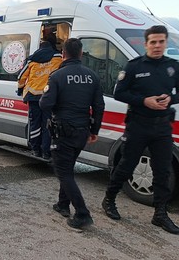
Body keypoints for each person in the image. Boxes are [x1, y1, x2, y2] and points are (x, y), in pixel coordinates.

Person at [102, 25, 179, 235]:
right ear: (146, 44)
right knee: (126, 166)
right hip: (138, 125)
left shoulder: (173, 66)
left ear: (165, 42)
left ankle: (160, 214)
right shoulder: (134, 66)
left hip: (162, 127)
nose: (157, 46)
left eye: (161, 41)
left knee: (162, 172)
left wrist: (171, 98)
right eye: (153, 42)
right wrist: (144, 101)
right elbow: (119, 93)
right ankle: (109, 200)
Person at [39, 38, 105, 230]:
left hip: (63, 131)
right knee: (68, 166)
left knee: (64, 172)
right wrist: (95, 131)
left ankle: (82, 214)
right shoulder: (92, 76)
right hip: (82, 131)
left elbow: (45, 104)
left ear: (63, 54)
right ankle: (62, 204)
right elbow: (99, 106)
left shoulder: (57, 76)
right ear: (81, 54)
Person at [18, 35, 62, 160]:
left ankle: (35, 150)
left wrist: (20, 89)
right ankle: (46, 151)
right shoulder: (58, 58)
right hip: (48, 97)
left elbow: (21, 77)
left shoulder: (32, 59)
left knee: (35, 124)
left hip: (33, 96)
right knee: (47, 125)